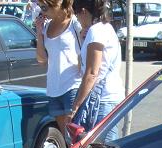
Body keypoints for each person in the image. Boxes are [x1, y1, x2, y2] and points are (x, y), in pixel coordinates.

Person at [66, 0, 125, 137]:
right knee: (101, 145)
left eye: (76, 15)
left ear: (83, 11)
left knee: (102, 146)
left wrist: (74, 108)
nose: (77, 19)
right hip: (108, 97)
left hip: (103, 100)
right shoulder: (104, 28)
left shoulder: (96, 31)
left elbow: (92, 73)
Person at [35, 0, 83, 138]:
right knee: (66, 138)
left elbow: (85, 54)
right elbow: (42, 60)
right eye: (40, 8)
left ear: (57, 4)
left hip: (72, 86)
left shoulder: (74, 24)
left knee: (77, 136)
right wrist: (39, 33)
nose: (42, 12)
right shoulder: (46, 26)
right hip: (53, 88)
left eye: (44, 7)